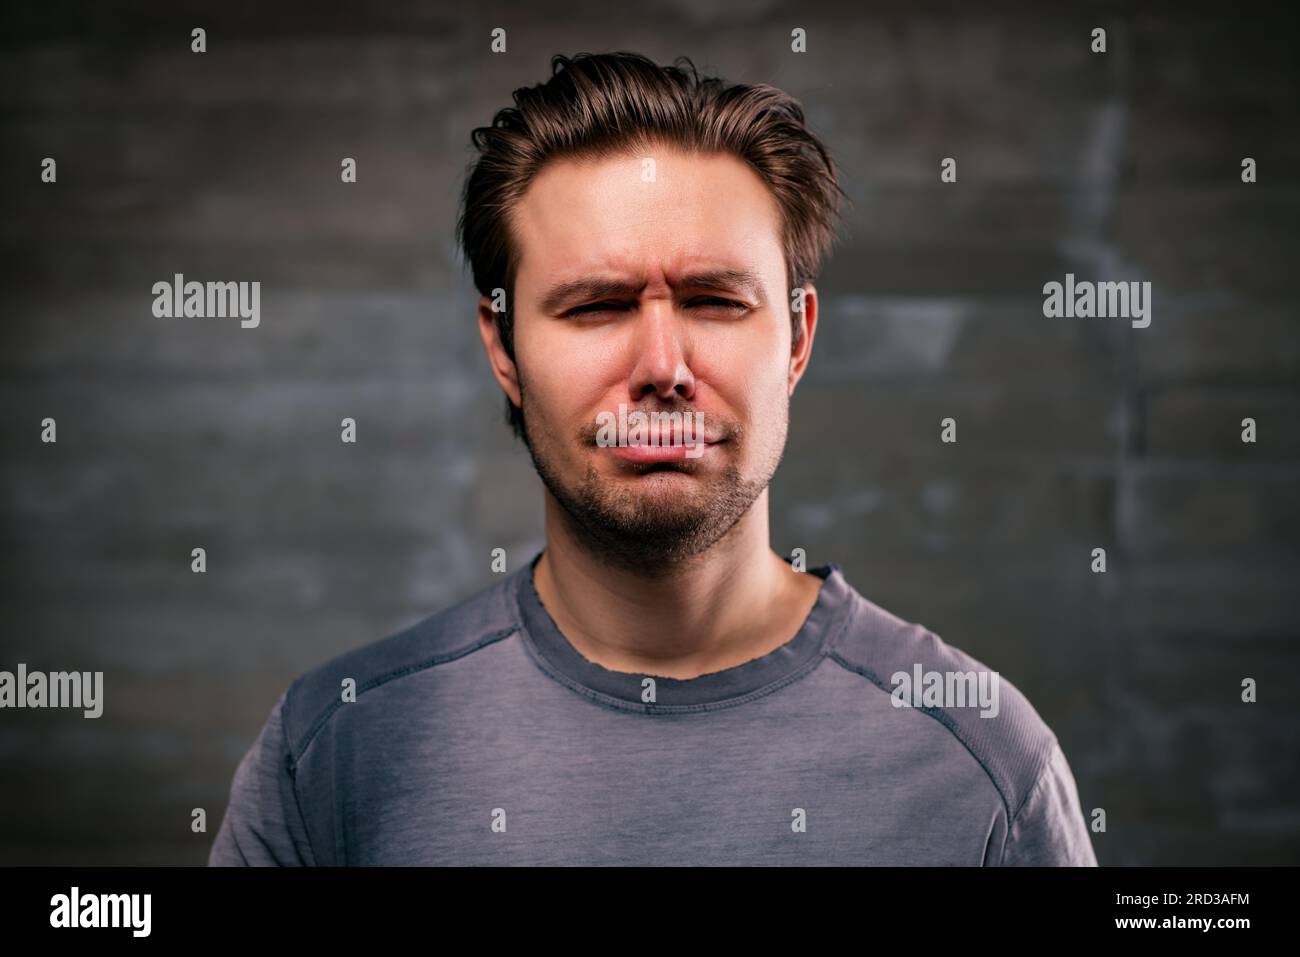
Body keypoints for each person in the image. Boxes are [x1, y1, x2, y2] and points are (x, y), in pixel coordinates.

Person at [209, 51, 1096, 866]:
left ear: (797, 339)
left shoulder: (981, 768)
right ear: (504, 346)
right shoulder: (333, 751)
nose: (664, 368)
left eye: (714, 301)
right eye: (596, 306)